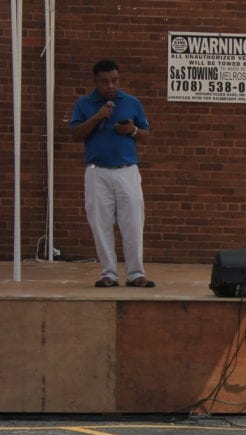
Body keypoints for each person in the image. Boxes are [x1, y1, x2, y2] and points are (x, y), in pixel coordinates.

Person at [70, 60, 154, 288]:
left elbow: (146, 135)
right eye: (105, 82)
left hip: (127, 170)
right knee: (100, 223)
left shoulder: (131, 102)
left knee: (133, 223)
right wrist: (98, 117)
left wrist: (132, 130)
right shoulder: (84, 104)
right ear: (95, 81)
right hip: (97, 172)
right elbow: (75, 134)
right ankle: (109, 273)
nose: (110, 86)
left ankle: (136, 273)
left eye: (115, 80)